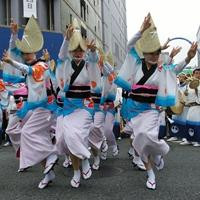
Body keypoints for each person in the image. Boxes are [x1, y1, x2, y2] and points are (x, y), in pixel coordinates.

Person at [114, 13, 197, 190]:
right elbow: (129, 46)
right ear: (144, 52)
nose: (153, 55)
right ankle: (150, 170)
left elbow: (176, 68)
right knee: (138, 141)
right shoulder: (136, 64)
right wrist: (141, 31)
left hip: (151, 110)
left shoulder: (163, 69)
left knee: (147, 136)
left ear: (159, 53)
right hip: (134, 110)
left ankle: (158, 155)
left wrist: (189, 58)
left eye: (156, 52)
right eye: (150, 52)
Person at [2, 16, 58, 189]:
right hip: (34, 107)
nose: (25, 55)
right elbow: (13, 50)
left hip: (46, 109)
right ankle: (48, 173)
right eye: (24, 53)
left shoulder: (42, 65)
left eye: (28, 52)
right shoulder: (32, 64)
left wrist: (11, 61)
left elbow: (30, 69)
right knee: (32, 138)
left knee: (28, 134)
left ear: (35, 51)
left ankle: (52, 155)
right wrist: (13, 35)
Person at [56, 18, 99, 188]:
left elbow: (95, 63)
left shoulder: (89, 64)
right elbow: (60, 56)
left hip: (84, 107)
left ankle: (85, 160)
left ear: (85, 51)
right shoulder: (66, 65)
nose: (78, 53)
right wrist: (66, 40)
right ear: (71, 51)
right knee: (66, 139)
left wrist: (94, 52)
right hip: (68, 108)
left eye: (81, 50)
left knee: (75, 136)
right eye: (75, 50)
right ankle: (77, 169)